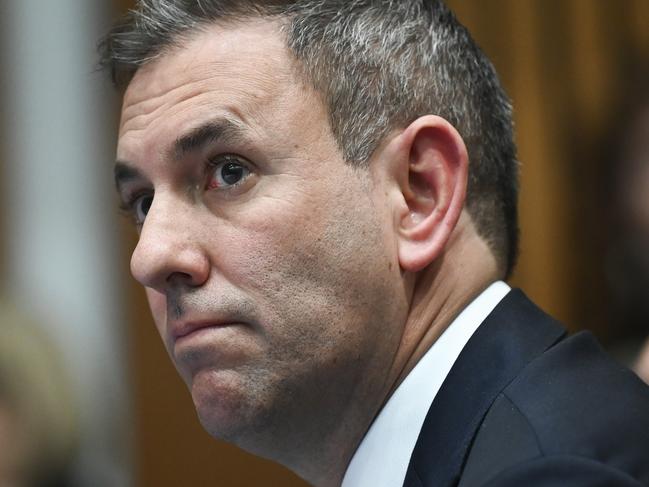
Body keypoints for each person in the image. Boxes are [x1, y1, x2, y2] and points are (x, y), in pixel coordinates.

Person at [99, 1, 649, 486]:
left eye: (228, 171)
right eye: (143, 204)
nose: (149, 256)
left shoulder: (557, 472)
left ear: (419, 195)